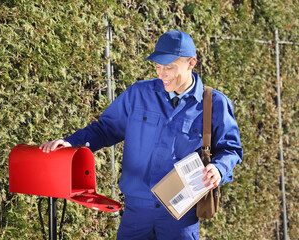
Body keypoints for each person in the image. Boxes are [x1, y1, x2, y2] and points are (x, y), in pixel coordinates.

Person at [40, 30, 242, 239]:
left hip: (181, 217)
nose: (161, 74)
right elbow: (105, 129)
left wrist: (219, 168)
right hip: (136, 214)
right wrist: (71, 143)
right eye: (157, 67)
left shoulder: (215, 104)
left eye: (169, 68)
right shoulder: (138, 94)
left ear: (191, 63)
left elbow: (231, 149)